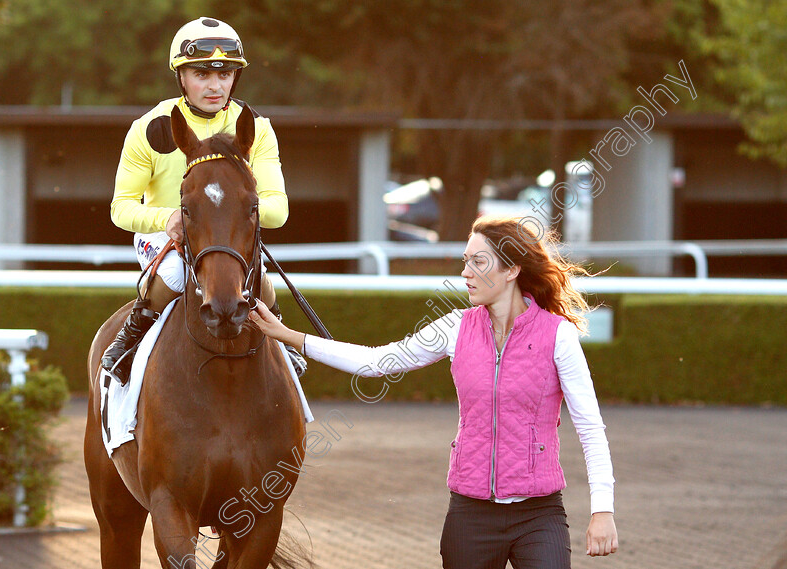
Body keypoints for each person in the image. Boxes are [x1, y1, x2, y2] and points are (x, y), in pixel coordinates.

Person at [250, 216, 618, 568]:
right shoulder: (455, 327)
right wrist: (289, 336)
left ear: (511, 270)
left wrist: (603, 510)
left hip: (539, 515)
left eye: (478, 262)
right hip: (470, 514)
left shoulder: (558, 335)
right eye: (465, 261)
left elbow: (590, 427)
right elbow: (377, 362)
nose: (465, 273)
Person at [102, 16, 306, 384]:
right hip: (165, 234)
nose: (215, 86)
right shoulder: (149, 128)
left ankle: (284, 342)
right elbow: (121, 208)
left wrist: (235, 214)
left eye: (225, 75)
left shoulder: (256, 128)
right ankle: (128, 341)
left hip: (227, 234)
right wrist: (169, 219)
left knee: (250, 271)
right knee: (176, 272)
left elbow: (277, 210)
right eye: (202, 75)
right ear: (180, 76)